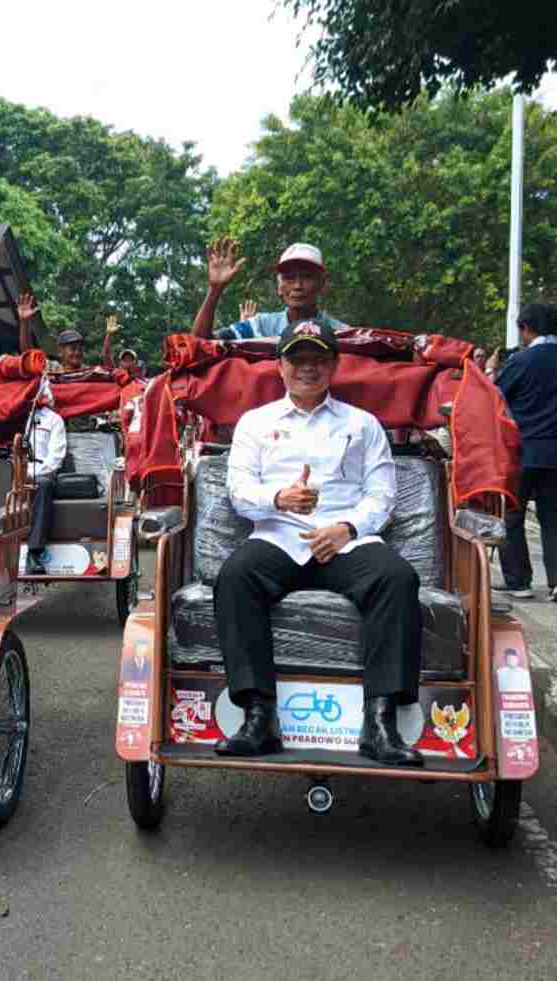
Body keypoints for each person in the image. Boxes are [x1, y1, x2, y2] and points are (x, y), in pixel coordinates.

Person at [214, 320, 423, 766]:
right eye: (297, 359)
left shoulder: (362, 424)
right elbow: (238, 490)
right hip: (279, 535)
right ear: (280, 365)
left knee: (398, 578)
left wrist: (347, 528)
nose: (307, 368)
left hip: (344, 541)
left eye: (318, 359)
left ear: (334, 365)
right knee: (234, 576)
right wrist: (278, 498)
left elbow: (382, 494)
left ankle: (381, 723)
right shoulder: (255, 423)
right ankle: (257, 717)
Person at [495, 303, 557, 604]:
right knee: (554, 517)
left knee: (512, 515)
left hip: (522, 451)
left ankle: (519, 581)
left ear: (525, 328)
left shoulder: (522, 360)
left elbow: (496, 395)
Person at [191, 240, 349, 340]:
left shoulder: (340, 333)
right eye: (289, 278)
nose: (297, 285)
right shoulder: (259, 326)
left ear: (323, 283)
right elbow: (200, 343)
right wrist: (215, 289)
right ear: (279, 287)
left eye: (307, 277)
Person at [23, 388, 68, 575]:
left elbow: (55, 458)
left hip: (42, 474)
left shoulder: (54, 419)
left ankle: (34, 552)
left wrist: (31, 474)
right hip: (14, 470)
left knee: (43, 484)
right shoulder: (14, 417)